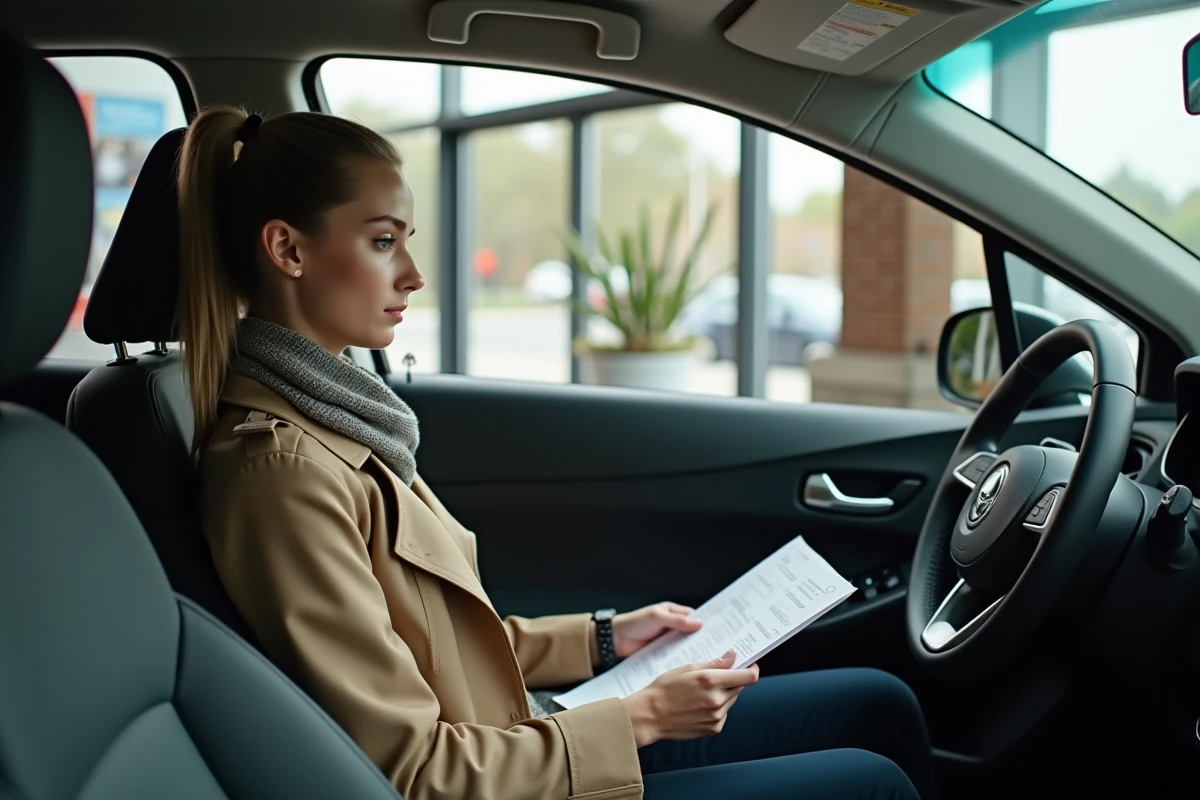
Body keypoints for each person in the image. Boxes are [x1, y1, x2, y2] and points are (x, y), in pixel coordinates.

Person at [180, 105, 939, 800]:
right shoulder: (280, 470)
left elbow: (440, 646)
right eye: (383, 242)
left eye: (406, 242)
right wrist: (639, 719)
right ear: (287, 248)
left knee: (880, 700)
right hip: (498, 776)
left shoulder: (343, 417)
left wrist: (607, 638)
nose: (412, 274)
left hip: (520, 736)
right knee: (869, 783)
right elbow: (407, 771)